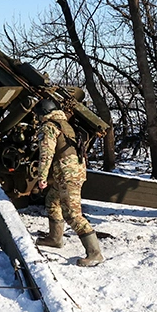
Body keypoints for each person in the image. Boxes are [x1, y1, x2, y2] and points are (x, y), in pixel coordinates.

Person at [33, 98, 103, 266]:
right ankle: (55, 238)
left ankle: (95, 253)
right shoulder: (66, 124)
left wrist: (42, 177)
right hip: (72, 172)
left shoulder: (49, 127)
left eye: (37, 115)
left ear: (43, 114)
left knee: (72, 214)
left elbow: (46, 154)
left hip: (67, 175)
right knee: (52, 201)